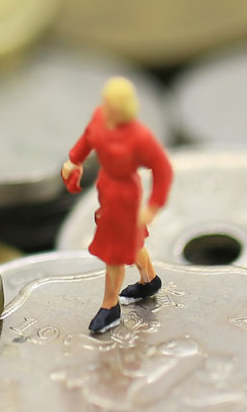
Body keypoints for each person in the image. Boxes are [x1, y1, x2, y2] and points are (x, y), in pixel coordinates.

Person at [62, 76, 172, 334]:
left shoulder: (139, 136)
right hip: (106, 190)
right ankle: (150, 280)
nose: (108, 107)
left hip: (126, 197)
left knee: (114, 254)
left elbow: (163, 169)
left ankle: (109, 306)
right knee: (133, 245)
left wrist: (153, 207)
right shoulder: (100, 118)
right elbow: (88, 138)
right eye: (107, 102)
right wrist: (74, 161)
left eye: (115, 104)